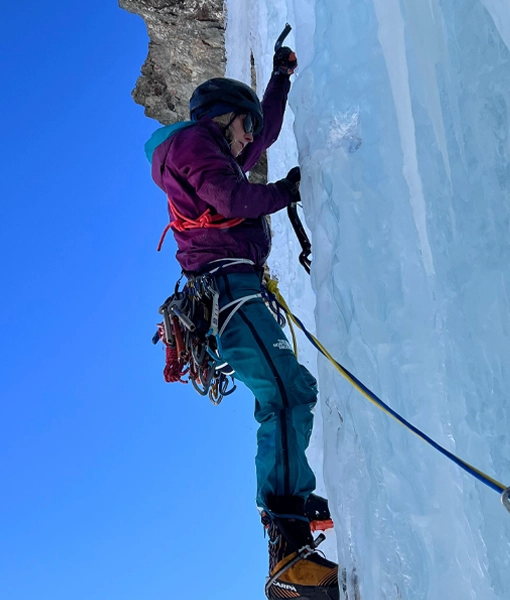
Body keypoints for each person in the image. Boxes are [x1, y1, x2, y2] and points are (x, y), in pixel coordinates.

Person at [146, 45, 339, 600]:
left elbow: (266, 135)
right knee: (282, 391)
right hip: (226, 289)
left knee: (290, 390)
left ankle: (293, 505)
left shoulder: (218, 144)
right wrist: (285, 192)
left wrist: (279, 77)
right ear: (218, 116)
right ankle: (287, 542)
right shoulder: (191, 143)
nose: (246, 139)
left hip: (236, 287)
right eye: (242, 125)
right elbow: (227, 195)